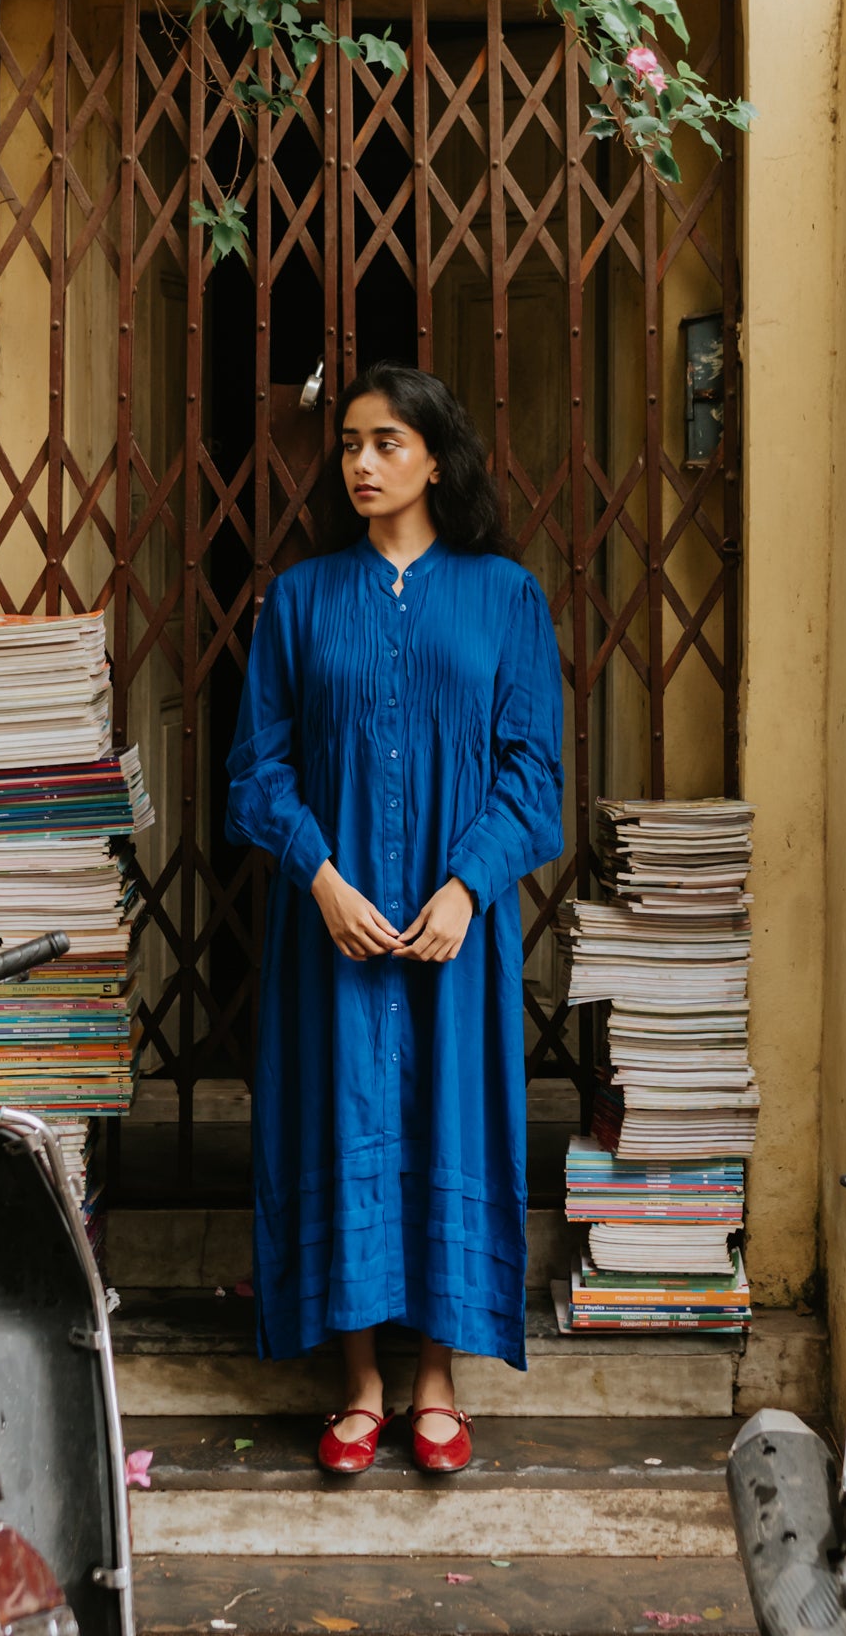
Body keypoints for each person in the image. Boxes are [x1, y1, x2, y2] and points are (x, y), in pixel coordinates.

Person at [225, 363, 564, 1474]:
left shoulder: (503, 595)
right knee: (340, 1118)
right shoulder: (303, 598)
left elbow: (531, 773)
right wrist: (319, 877)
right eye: (350, 446)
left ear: (433, 456)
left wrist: (468, 882)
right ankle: (358, 1381)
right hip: (331, 927)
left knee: (449, 1120)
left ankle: (436, 1381)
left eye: (385, 443)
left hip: (451, 932)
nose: (361, 464)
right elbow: (255, 771)